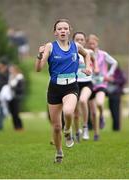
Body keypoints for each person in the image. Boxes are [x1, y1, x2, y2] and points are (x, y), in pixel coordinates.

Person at [35, 19, 91, 163]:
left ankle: (68, 131)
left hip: (71, 86)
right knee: (56, 126)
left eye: (65, 28)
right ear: (55, 32)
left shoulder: (76, 46)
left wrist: (88, 67)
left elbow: (87, 55)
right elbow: (39, 68)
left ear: (69, 30)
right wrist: (39, 55)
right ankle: (59, 152)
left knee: (67, 112)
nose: (63, 31)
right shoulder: (50, 46)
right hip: (54, 88)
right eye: (59, 29)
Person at [87, 34, 118, 140]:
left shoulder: (103, 54)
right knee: (92, 111)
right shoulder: (86, 54)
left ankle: (102, 117)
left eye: (93, 43)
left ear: (97, 43)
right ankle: (96, 133)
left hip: (101, 83)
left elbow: (114, 62)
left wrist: (108, 74)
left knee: (100, 103)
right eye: (89, 43)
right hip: (90, 83)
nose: (91, 45)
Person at [72, 32, 99, 142]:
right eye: (77, 40)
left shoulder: (89, 52)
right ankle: (77, 131)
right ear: (73, 41)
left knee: (83, 100)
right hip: (74, 83)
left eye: (82, 39)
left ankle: (85, 127)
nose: (79, 42)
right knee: (76, 113)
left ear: (85, 41)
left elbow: (94, 61)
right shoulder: (71, 53)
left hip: (87, 82)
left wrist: (95, 68)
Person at [107, 66, 126, 130]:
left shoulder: (118, 71)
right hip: (110, 94)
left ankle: (116, 128)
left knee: (116, 112)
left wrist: (113, 80)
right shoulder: (109, 71)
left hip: (116, 94)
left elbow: (123, 80)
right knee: (112, 111)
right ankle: (115, 128)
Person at [0, 57, 9, 130]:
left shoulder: (6, 73)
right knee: (0, 111)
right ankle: (0, 125)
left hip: (2, 95)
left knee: (1, 111)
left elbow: (5, 83)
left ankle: (0, 126)